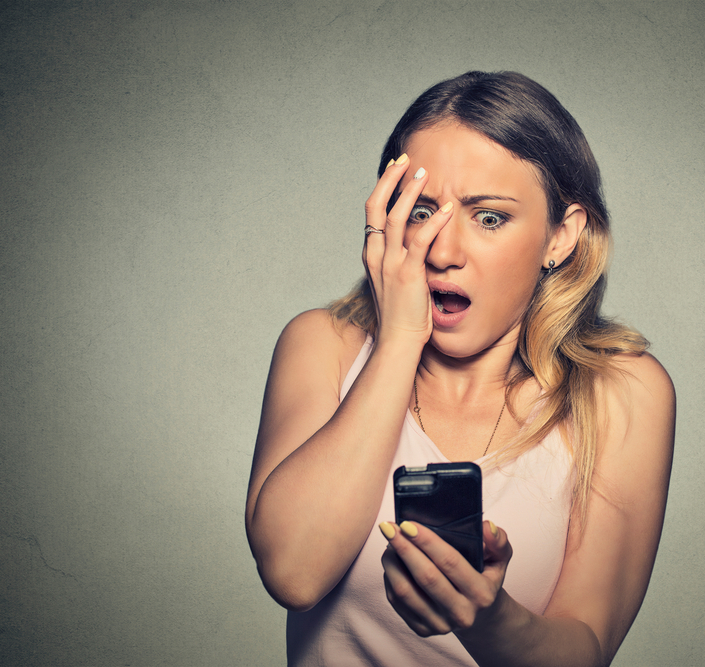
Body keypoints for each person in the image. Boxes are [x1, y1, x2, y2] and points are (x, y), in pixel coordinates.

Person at [245, 71, 675, 666]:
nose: (443, 252)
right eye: (421, 212)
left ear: (562, 236)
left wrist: (489, 618)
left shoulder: (622, 393)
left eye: (490, 217)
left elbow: (584, 651)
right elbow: (294, 573)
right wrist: (399, 337)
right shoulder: (324, 346)